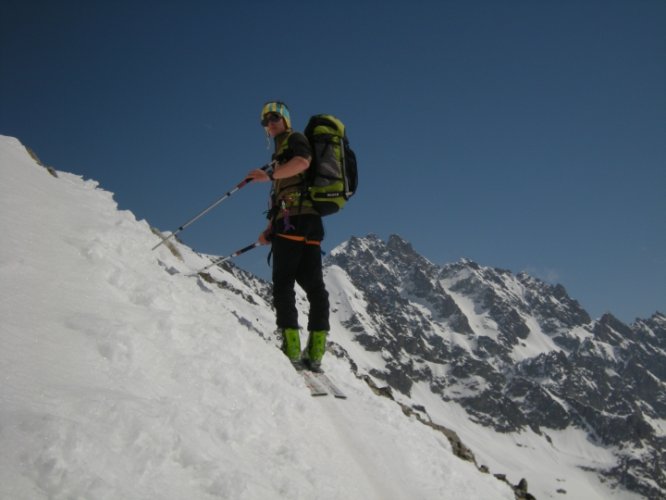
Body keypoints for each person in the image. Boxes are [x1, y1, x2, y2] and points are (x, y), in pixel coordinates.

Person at [246, 101, 329, 372]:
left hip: (293, 223)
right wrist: (270, 229)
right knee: (314, 287)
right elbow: (283, 193)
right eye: (265, 121)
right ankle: (316, 351)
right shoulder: (282, 151)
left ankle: (292, 347)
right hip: (309, 224)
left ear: (285, 119)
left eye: (273, 118)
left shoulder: (294, 140)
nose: (269, 124)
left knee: (283, 284)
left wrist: (269, 176)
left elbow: (303, 162)